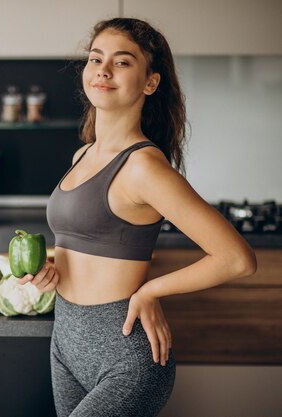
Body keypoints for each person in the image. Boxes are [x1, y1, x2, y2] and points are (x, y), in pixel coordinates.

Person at [38, 17, 257, 417]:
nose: (103, 69)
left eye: (122, 62)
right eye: (95, 58)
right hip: (65, 342)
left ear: (149, 82)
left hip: (125, 357)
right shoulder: (82, 155)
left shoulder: (143, 167)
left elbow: (237, 259)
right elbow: (90, 246)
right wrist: (49, 268)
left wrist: (150, 291)